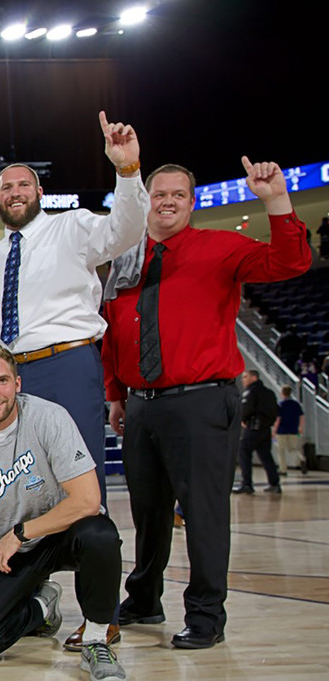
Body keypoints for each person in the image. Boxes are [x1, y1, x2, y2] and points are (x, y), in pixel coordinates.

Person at [103, 159, 312, 650]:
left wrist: (276, 201)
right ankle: (145, 599)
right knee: (148, 512)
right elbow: (112, 331)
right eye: (159, 194)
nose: (168, 202)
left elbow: (291, 262)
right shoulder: (126, 258)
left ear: (192, 203)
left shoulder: (221, 247)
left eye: (178, 194)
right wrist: (116, 395)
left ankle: (205, 615)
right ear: (146, 201)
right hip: (140, 404)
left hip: (200, 400)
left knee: (203, 513)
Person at [0, 343, 127, 681]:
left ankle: (96, 640)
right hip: (13, 550)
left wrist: (21, 533)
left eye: (2, 381)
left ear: (17, 383)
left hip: (61, 533)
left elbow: (89, 500)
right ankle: (43, 607)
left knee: (100, 535)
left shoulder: (49, 417)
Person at [0, 112, 148, 499]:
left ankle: (92, 539)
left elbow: (125, 231)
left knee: (80, 472)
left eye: (24, 185)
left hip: (66, 364)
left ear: (40, 193)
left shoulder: (71, 226)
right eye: (7, 187)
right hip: (11, 374)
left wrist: (127, 171)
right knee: (27, 480)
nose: (16, 192)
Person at [237, 368, 282, 495]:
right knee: (266, 456)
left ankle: (247, 484)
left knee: (243, 452)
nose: (243, 380)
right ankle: (274, 483)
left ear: (254, 378)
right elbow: (276, 411)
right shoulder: (269, 393)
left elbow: (247, 408)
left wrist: (243, 419)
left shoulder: (250, 391)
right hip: (265, 429)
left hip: (253, 427)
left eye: (245, 377)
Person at [275, 385, 307, 475]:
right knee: (292, 448)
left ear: (282, 393)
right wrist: (300, 427)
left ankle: (283, 469)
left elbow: (278, 419)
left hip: (281, 430)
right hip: (293, 429)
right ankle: (301, 458)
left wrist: (274, 430)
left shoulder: (281, 405)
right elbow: (301, 417)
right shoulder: (296, 404)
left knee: (281, 450)